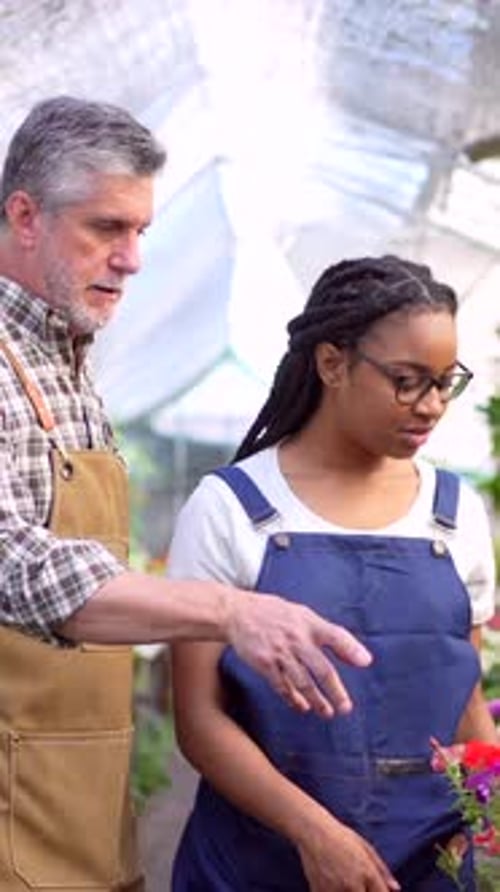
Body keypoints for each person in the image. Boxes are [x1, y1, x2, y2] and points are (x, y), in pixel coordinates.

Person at [0, 97, 372, 892]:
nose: (133, 258)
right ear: (25, 216)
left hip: (79, 808)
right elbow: (16, 563)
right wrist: (230, 609)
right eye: (106, 227)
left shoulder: (68, 361)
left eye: (140, 231)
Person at [169, 255, 499, 892]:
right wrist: (314, 833)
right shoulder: (234, 508)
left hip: (427, 867)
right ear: (331, 364)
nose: (431, 406)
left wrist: (486, 822)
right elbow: (200, 721)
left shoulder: (454, 515)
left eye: (443, 382)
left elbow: (463, 707)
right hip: (260, 864)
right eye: (407, 381)